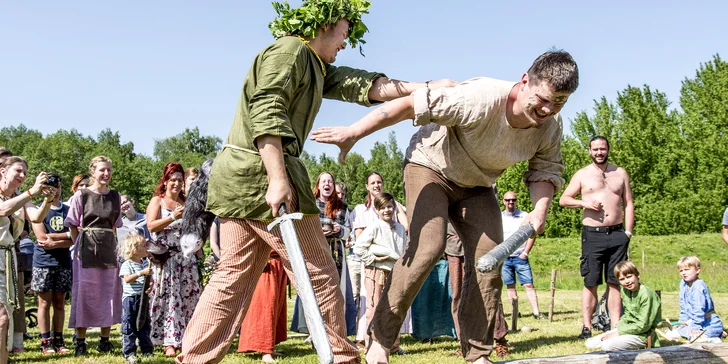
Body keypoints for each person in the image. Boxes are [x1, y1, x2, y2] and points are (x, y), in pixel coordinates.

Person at [176, 1, 453, 362]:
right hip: (262, 176)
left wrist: (428, 88)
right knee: (319, 277)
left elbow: (367, 86)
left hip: (239, 180)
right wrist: (277, 178)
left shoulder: (316, 65)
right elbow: (267, 108)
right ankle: (341, 357)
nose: (346, 41)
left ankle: (193, 358)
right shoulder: (290, 50)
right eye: (344, 31)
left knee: (231, 278)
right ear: (323, 24)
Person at [312, 50, 579, 364]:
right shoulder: (479, 98)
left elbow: (545, 169)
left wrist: (540, 208)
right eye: (543, 99)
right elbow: (411, 104)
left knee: (488, 260)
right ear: (525, 81)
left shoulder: (549, 125)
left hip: (478, 185)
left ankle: (478, 353)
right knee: (427, 246)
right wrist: (355, 132)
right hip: (430, 167)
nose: (547, 109)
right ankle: (379, 341)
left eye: (558, 102)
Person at [559, 135, 635, 339]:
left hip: (618, 234)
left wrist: (628, 232)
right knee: (591, 282)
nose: (599, 152)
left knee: (615, 281)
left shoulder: (620, 173)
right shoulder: (583, 174)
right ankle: (586, 327)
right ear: (590, 151)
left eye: (602, 149)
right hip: (593, 235)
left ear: (608, 149)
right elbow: (564, 200)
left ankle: (615, 326)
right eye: (595, 149)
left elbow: (628, 203)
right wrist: (584, 204)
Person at [65, 156, 124, 356]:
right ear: (93, 172)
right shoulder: (81, 195)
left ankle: (105, 339)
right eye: (102, 170)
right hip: (86, 249)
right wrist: (79, 245)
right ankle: (80, 341)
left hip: (109, 247)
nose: (106, 174)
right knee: (85, 293)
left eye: (109, 170)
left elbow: (117, 226)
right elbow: (72, 223)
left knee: (108, 292)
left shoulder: (115, 196)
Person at [0, 156, 56, 361]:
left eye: (25, 172)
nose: (22, 176)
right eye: (18, 171)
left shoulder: (19, 196)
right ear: (2, 171)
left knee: (6, 314)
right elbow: (3, 210)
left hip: (8, 257)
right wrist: (31, 191)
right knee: (2, 316)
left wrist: (47, 201)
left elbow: (36, 217)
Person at [291, 172, 357, 336]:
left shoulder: (342, 206)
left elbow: (349, 231)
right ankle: (316, 331)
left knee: (336, 291)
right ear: (318, 185)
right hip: (314, 251)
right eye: (324, 181)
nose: (327, 184)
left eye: (330, 181)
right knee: (316, 291)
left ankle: (335, 329)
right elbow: (300, 227)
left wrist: (339, 230)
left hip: (335, 251)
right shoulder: (309, 205)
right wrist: (317, 232)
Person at [146, 162, 201, 357]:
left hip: (186, 258)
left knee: (188, 298)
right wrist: (172, 217)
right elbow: (151, 226)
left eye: (180, 180)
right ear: (166, 181)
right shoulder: (157, 201)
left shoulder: (187, 202)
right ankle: (168, 341)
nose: (176, 183)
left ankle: (187, 339)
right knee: (168, 298)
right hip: (166, 258)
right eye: (173, 180)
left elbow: (194, 227)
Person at [446, 223, 509, 358]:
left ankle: (500, 340)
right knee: (458, 296)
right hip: (453, 247)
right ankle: (464, 343)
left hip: (479, 245)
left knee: (489, 291)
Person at [354, 193, 407, 354]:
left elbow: (402, 250)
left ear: (395, 208)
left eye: (390, 206)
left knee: (393, 308)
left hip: (393, 272)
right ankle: (371, 344)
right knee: (374, 308)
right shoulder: (375, 227)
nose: (387, 210)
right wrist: (373, 258)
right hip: (376, 272)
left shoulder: (400, 228)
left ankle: (393, 345)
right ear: (377, 210)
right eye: (382, 208)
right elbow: (358, 248)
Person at [30, 176, 73, 355]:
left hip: (63, 262)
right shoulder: (37, 210)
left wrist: (54, 240)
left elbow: (75, 237)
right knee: (44, 303)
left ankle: (59, 339)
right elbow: (41, 238)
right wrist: (65, 237)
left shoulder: (69, 210)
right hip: (43, 262)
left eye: (57, 186)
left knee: (60, 303)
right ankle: (46, 341)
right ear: (43, 189)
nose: (54, 190)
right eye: (50, 186)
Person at [585, 261, 661, 351]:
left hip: (642, 334)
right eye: (622, 279)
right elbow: (627, 313)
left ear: (637, 276)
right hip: (628, 329)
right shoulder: (625, 291)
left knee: (607, 345)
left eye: (629, 277)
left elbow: (643, 325)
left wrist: (619, 332)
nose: (627, 282)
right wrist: (619, 326)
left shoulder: (647, 294)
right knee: (590, 343)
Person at [237, 250, 288, 363]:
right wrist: (263, 258)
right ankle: (265, 351)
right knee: (265, 306)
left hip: (279, 261)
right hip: (267, 262)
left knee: (276, 306)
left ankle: (270, 347)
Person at [500, 191, 543, 319]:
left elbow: (532, 234)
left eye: (513, 200)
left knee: (528, 284)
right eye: (508, 200)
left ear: (516, 201)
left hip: (520, 257)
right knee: (510, 285)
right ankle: (515, 313)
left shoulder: (524, 216)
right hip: (506, 258)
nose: (510, 202)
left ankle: (536, 313)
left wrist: (525, 253)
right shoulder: (499, 217)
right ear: (503, 201)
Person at [664, 256, 724, 343]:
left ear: (697, 270)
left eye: (687, 269)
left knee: (696, 337)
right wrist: (681, 322)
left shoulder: (698, 285)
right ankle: (705, 334)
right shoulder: (683, 284)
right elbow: (683, 306)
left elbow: (698, 309)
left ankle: (712, 337)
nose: (684, 273)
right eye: (681, 271)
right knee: (681, 330)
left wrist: (696, 327)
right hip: (694, 321)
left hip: (709, 322)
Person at [119, 234, 154, 364]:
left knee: (145, 323)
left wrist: (150, 286)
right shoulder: (127, 264)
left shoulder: (145, 263)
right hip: (130, 300)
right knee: (129, 326)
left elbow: (150, 279)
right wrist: (141, 273)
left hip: (143, 298)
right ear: (134, 250)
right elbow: (127, 279)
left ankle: (147, 350)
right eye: (144, 245)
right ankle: (129, 352)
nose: (147, 248)